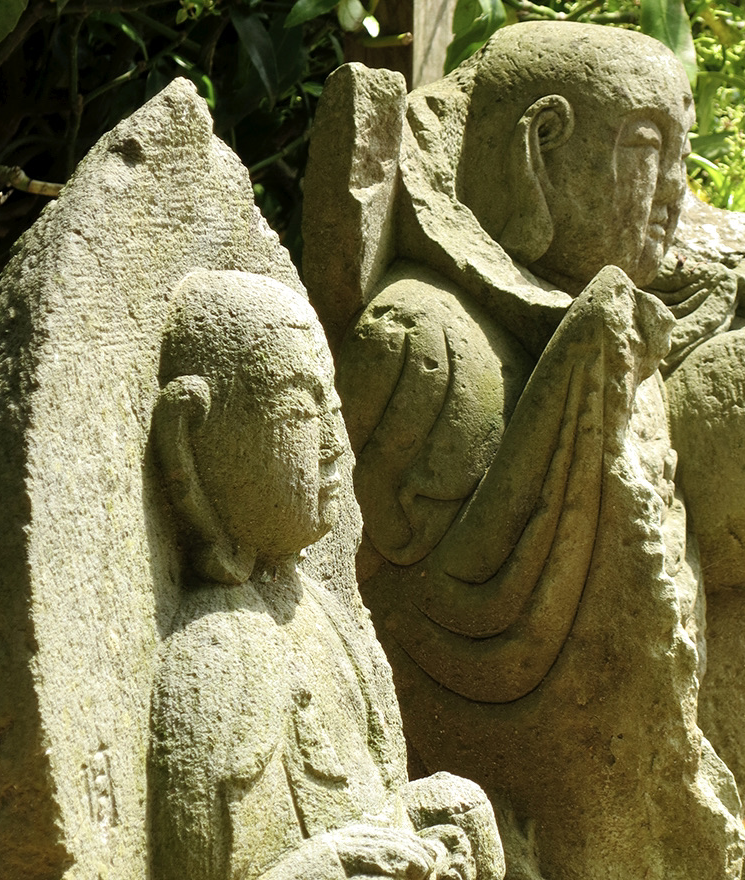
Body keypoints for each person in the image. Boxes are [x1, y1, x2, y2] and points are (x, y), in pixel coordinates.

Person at [304, 21, 745, 880]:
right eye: (646, 150)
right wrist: (573, 396)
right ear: (538, 146)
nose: (674, 191)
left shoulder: (623, 327)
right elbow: (404, 596)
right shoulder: (431, 337)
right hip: (493, 794)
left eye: (682, 156)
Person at [147, 269, 505, 880]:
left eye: (331, 405)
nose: (336, 443)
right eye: (299, 412)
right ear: (192, 435)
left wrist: (424, 824)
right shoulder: (212, 661)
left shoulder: (328, 617)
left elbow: (377, 801)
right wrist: (334, 865)